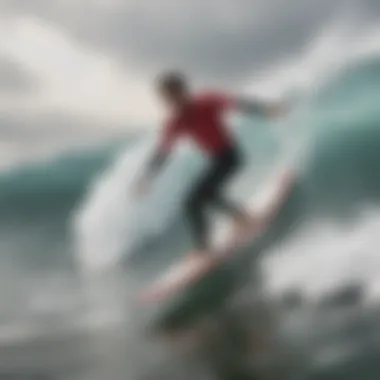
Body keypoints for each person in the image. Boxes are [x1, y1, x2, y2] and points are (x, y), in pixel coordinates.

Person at [135, 71, 287, 258]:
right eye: (166, 99)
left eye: (172, 95)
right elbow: (162, 152)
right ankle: (240, 218)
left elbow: (237, 104)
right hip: (216, 159)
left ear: (183, 91)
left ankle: (206, 244)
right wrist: (146, 178)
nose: (171, 103)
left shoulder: (206, 101)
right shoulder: (175, 123)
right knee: (202, 197)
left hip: (230, 156)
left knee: (193, 201)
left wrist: (266, 110)